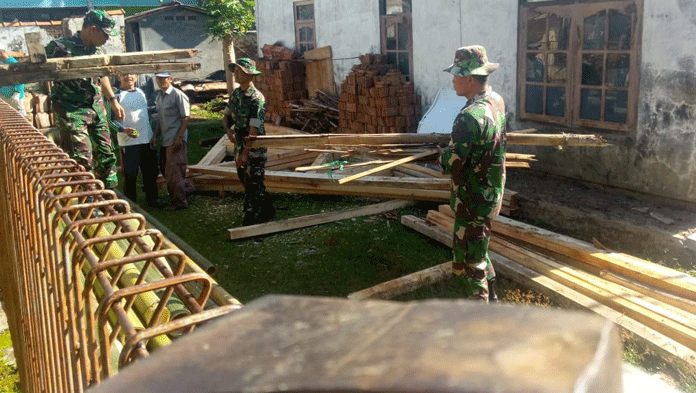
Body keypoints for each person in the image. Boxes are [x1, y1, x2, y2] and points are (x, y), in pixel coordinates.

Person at [440, 45, 506, 302]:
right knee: (480, 246)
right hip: (491, 191)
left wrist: (440, 155)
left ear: (470, 78)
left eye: (456, 74)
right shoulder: (496, 101)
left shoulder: (468, 117)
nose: (453, 80)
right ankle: (494, 299)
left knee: (471, 263)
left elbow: (451, 163)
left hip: (472, 198)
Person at [45, 9, 124, 189]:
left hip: (97, 108)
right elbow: (36, 65)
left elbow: (102, 75)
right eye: (105, 34)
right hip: (72, 110)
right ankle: (87, 203)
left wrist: (112, 99)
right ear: (93, 29)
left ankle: (109, 198)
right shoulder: (59, 47)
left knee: (106, 155)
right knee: (81, 159)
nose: (108, 38)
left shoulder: (96, 49)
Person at [222, 58, 275, 226]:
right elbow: (226, 115)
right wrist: (228, 130)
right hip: (239, 144)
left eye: (239, 71)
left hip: (254, 146)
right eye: (235, 71)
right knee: (244, 177)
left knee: (253, 179)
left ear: (249, 74)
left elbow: (255, 127)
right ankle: (267, 206)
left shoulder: (257, 98)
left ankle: (250, 215)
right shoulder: (236, 94)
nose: (235, 74)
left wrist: (246, 152)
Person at [111, 73, 164, 208]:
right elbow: (109, 122)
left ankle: (152, 199)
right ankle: (130, 203)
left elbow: (146, 116)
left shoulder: (141, 92)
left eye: (132, 74)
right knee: (130, 175)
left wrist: (152, 134)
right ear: (118, 77)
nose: (128, 76)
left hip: (146, 140)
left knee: (150, 173)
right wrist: (123, 130)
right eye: (124, 74)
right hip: (128, 144)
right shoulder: (115, 96)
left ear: (136, 76)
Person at [154, 72, 194, 210]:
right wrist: (155, 136)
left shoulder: (177, 94)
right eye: (158, 78)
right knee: (166, 170)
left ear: (171, 79)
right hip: (165, 139)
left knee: (174, 172)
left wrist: (179, 137)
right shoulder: (159, 96)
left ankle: (179, 202)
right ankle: (187, 189)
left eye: (163, 78)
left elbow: (186, 118)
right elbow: (160, 119)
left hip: (175, 139)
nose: (160, 81)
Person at [0, 46, 27, 117]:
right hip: (4, 95)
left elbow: (21, 80)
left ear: (1, 52)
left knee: (20, 115)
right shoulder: (1, 63)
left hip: (15, 96)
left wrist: (17, 93)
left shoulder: (13, 63)